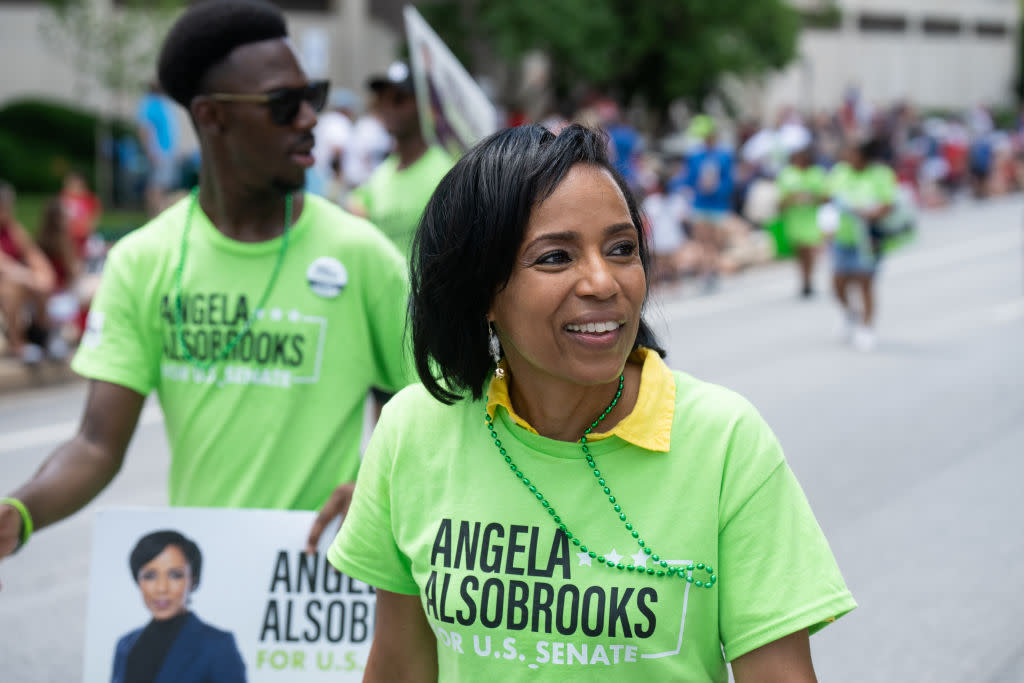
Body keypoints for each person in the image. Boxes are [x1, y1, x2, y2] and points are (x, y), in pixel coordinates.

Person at [328, 124, 856, 681]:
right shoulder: (413, 431)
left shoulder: (724, 441)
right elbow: (401, 666)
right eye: (556, 257)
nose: (604, 282)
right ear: (481, 289)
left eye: (622, 249)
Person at [0, 0, 413, 573]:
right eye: (283, 103)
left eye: (311, 96)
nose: (309, 119)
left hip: (327, 590)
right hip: (203, 574)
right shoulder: (144, 261)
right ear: (212, 117)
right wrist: (19, 514)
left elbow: (418, 418)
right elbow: (96, 444)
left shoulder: (362, 256)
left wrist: (373, 488)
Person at [346, 61, 454, 259]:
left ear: (424, 106)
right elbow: (357, 208)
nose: (387, 108)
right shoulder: (381, 174)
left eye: (399, 99)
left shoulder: (447, 171)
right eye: (382, 100)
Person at [112, 530, 246, 683]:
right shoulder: (125, 645)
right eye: (150, 576)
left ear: (193, 580)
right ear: (138, 581)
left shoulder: (217, 646)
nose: (162, 588)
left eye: (175, 575)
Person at [823, 137, 897, 352]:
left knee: (865, 283)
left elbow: (888, 204)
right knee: (837, 284)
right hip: (842, 238)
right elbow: (828, 199)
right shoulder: (839, 173)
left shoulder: (880, 175)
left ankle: (867, 327)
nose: (848, 158)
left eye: (852, 154)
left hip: (868, 239)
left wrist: (869, 213)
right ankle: (848, 313)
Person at [0, 181, 56, 363]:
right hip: (8, 283)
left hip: (17, 280)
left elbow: (33, 254)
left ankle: (41, 333)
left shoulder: (12, 228)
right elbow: (5, 265)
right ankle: (18, 343)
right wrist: (30, 278)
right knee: (12, 287)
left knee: (40, 283)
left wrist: (43, 274)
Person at [677, 115, 733, 292]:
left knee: (715, 240)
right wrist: (693, 188)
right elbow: (690, 179)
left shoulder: (724, 155)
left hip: (717, 204)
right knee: (702, 241)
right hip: (700, 203)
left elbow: (729, 181)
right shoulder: (695, 156)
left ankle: (712, 270)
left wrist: (716, 188)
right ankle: (705, 273)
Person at [776, 129, 827, 298]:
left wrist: (811, 197)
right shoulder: (787, 175)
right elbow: (780, 201)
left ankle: (808, 280)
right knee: (800, 252)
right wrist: (791, 199)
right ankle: (804, 279)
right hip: (795, 219)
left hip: (812, 218)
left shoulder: (815, 174)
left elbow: (825, 196)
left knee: (809, 250)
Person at [137, 81, 182, 216]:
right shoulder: (149, 104)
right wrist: (151, 151)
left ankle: (160, 214)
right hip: (159, 152)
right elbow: (144, 129)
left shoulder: (160, 103)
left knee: (162, 186)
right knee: (156, 186)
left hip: (166, 152)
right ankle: (156, 215)